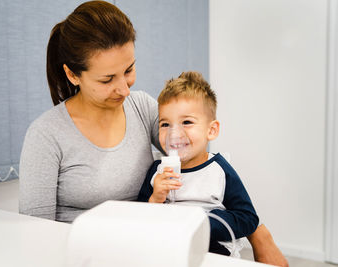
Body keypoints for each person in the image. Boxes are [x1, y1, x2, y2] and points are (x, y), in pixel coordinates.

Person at [18, 1, 288, 266]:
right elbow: (35, 232)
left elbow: (195, 155)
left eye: (129, 70)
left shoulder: (141, 106)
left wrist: (259, 233)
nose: (124, 89)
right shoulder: (46, 135)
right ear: (73, 75)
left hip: (148, 246)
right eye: (107, 79)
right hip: (85, 254)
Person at [137, 71, 259, 256]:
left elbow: (247, 219)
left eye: (186, 122)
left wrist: (202, 222)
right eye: (165, 124)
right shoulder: (157, 171)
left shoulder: (219, 170)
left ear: (211, 130)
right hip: (167, 247)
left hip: (210, 249)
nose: (174, 133)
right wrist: (155, 199)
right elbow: (138, 217)